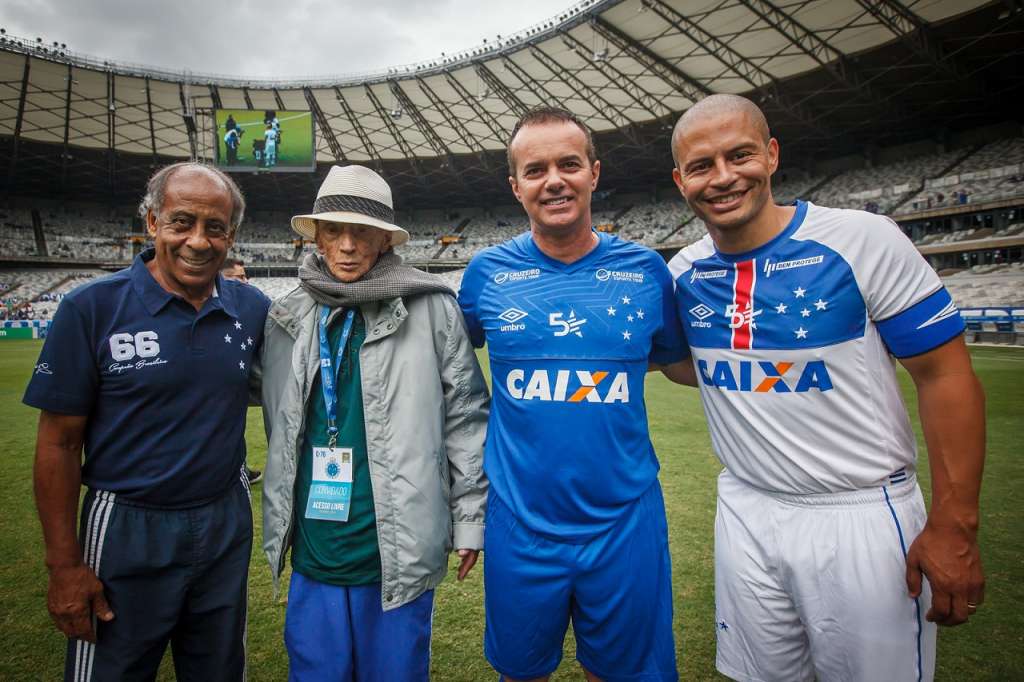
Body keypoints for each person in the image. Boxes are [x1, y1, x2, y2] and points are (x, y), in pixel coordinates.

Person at [664, 94, 985, 681]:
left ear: (772, 154)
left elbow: (946, 375)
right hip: (744, 506)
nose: (724, 177)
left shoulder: (863, 240)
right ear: (680, 179)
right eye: (703, 165)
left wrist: (954, 524)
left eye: (739, 155)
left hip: (861, 512)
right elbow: (691, 365)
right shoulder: (683, 272)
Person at [458, 106, 686, 681]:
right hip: (519, 518)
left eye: (568, 164)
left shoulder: (644, 271)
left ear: (594, 172)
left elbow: (675, 361)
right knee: (520, 672)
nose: (554, 180)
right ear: (516, 187)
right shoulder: (486, 273)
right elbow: (447, 371)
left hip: (624, 519)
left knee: (621, 674)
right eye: (535, 170)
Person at [24, 161, 271, 680]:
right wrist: (64, 566)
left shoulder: (252, 308)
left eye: (216, 228)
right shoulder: (90, 307)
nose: (199, 242)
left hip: (225, 519)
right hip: (127, 526)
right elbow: (59, 444)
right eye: (182, 222)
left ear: (232, 236)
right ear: (153, 222)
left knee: (219, 671)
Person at [260, 164, 489, 681]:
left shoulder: (432, 309)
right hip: (315, 547)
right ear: (314, 236)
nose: (345, 245)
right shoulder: (286, 317)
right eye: (333, 230)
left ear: (384, 240)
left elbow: (467, 418)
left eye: (360, 231)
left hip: (399, 550)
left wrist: (471, 518)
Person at [220, 257, 263, 485]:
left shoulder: (252, 305)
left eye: (246, 276)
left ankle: (241, 468)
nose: (245, 281)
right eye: (239, 277)